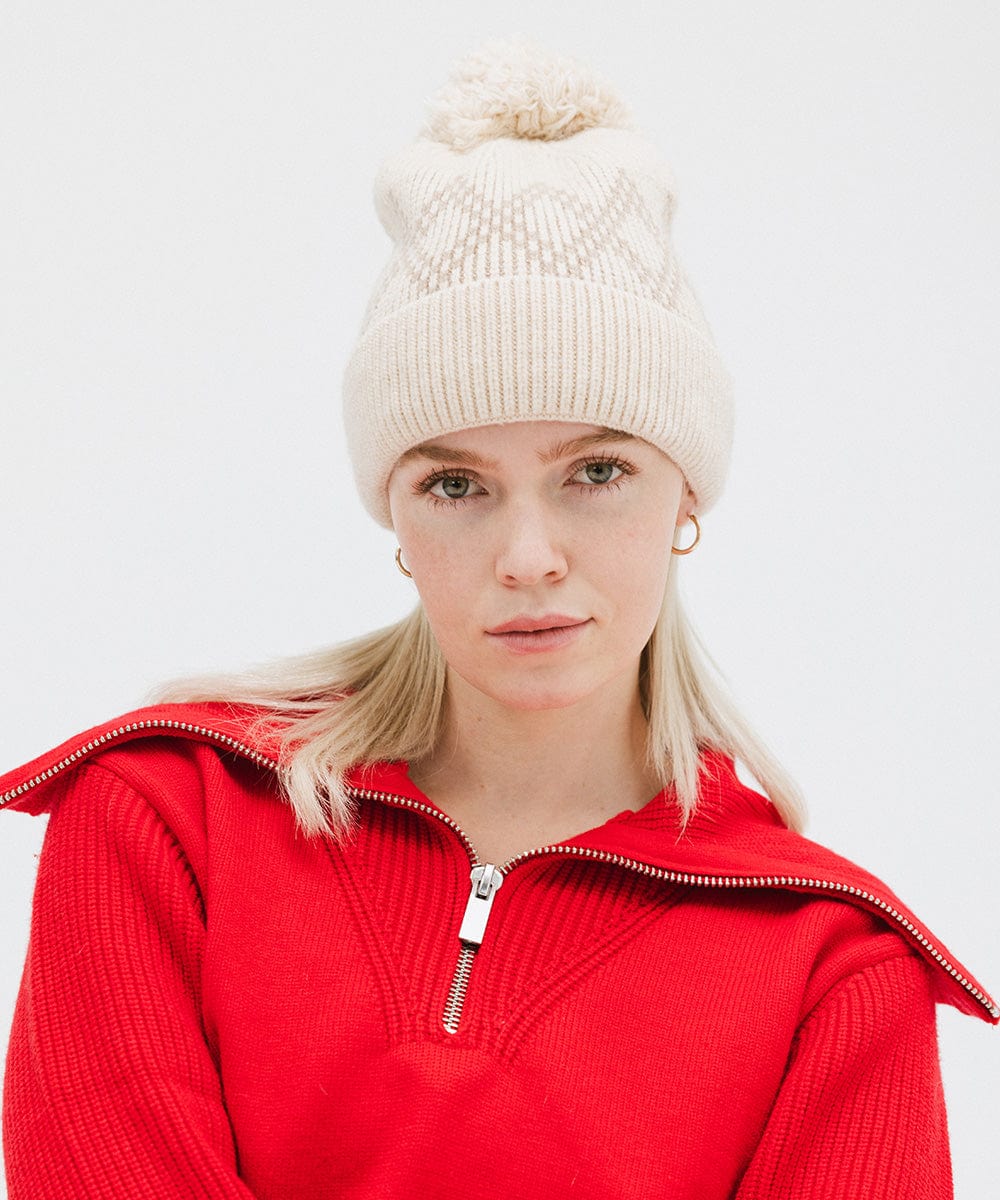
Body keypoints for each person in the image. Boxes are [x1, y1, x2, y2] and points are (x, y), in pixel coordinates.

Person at [1, 35, 995, 1200]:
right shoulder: (169, 821)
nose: (527, 559)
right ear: (393, 512)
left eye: (596, 472)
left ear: (686, 494)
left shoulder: (831, 968)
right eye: (456, 485)